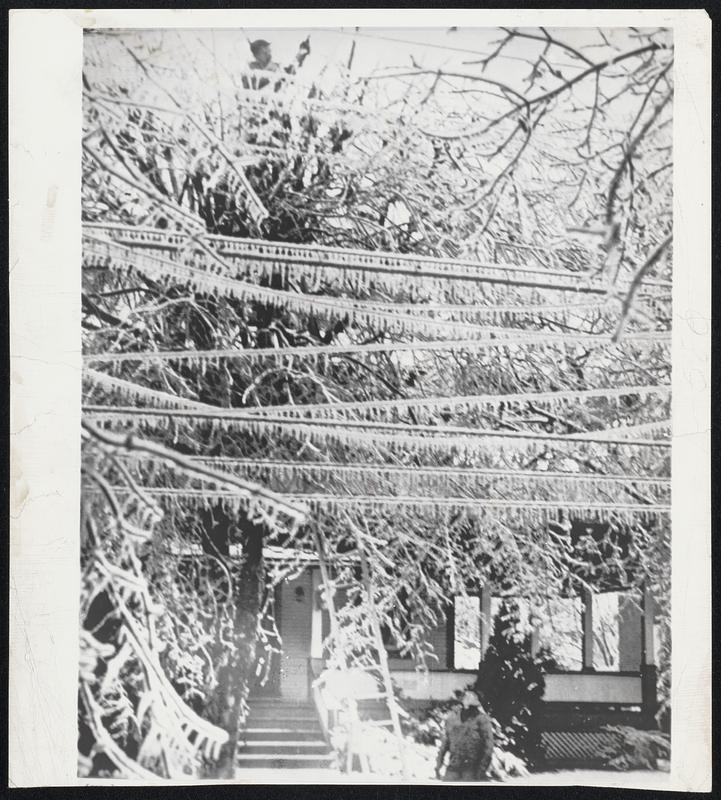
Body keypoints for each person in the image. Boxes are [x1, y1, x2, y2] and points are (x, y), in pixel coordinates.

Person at [435, 690, 494, 782]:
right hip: (454, 768)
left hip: (472, 769)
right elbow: (445, 743)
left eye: (473, 707)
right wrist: (438, 764)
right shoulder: (452, 719)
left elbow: (488, 747)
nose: (470, 709)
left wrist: (481, 770)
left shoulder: (482, 720)